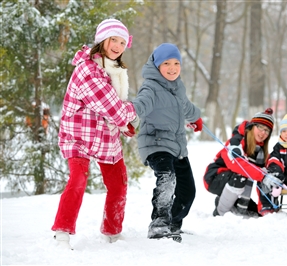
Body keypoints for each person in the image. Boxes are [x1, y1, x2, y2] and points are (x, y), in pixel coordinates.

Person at [51, 19, 137, 249]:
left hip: (104, 136)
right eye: (113, 40)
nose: (118, 46)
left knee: (118, 183)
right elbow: (115, 109)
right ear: (102, 41)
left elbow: (114, 111)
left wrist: (124, 124)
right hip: (79, 136)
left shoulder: (113, 70)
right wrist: (134, 108)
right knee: (78, 179)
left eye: (122, 42)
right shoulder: (88, 70)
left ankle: (112, 232)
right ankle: (62, 232)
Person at [130, 43, 202, 242]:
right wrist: (129, 113)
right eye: (167, 63)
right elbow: (141, 104)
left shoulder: (178, 86)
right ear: (157, 66)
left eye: (176, 63)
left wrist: (196, 117)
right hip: (156, 142)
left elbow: (186, 107)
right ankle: (159, 224)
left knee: (188, 191)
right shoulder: (151, 87)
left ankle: (173, 223)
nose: (172, 68)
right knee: (167, 177)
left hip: (177, 146)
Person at [203, 108, 275, 217]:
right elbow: (237, 164)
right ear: (252, 126)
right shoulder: (236, 141)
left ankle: (230, 203)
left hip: (238, 184)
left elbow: (268, 169)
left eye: (267, 130)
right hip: (215, 177)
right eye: (260, 127)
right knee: (240, 175)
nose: (263, 133)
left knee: (256, 214)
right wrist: (262, 175)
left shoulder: (260, 151)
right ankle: (220, 213)